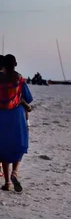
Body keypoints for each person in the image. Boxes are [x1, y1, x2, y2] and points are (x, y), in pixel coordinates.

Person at [0, 55, 33, 193]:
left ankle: (7, 182)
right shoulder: (19, 79)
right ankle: (15, 174)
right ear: (16, 64)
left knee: (3, 148)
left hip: (2, 115)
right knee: (18, 145)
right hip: (17, 115)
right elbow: (29, 99)